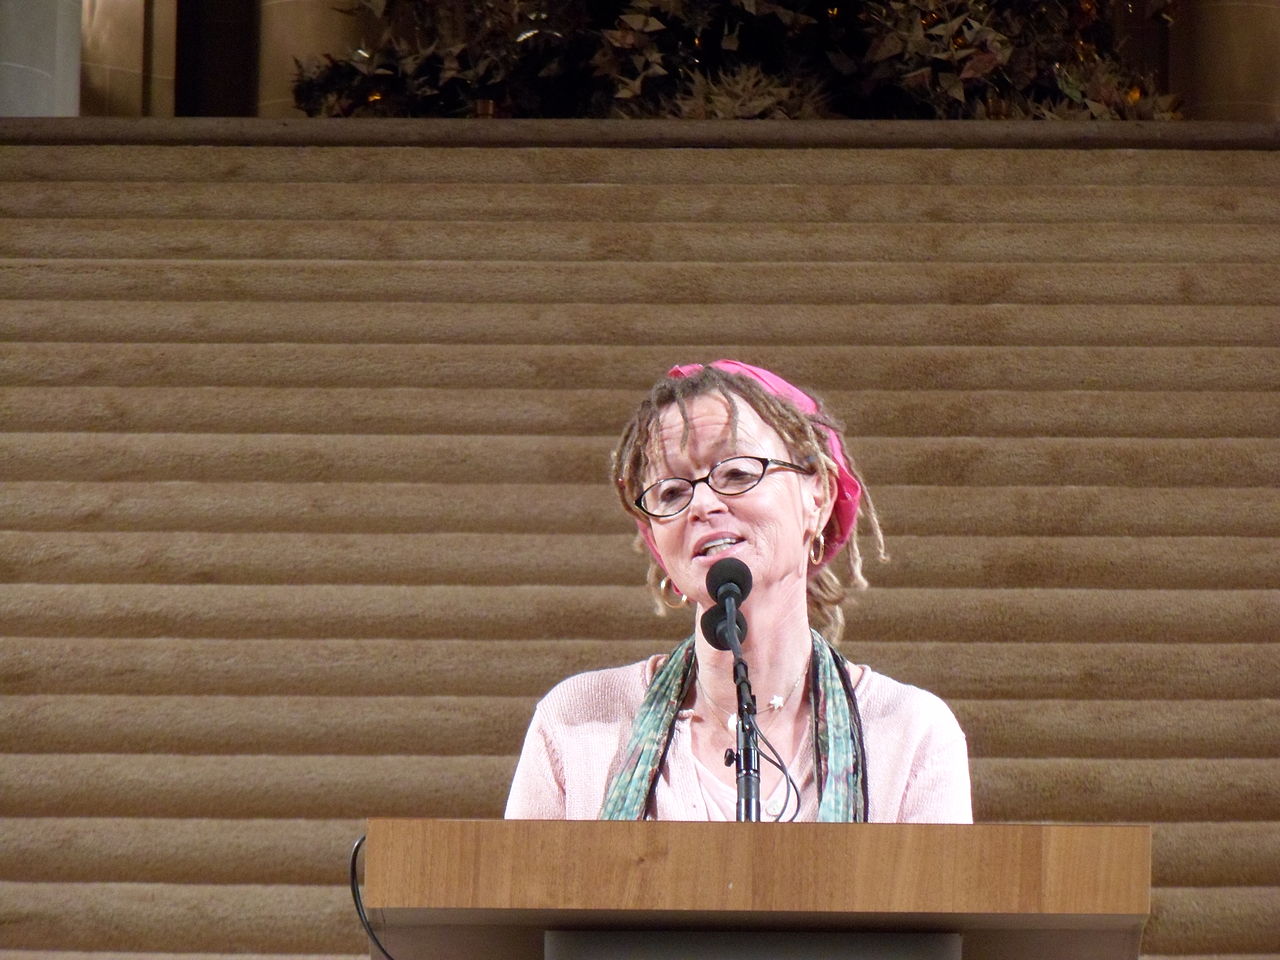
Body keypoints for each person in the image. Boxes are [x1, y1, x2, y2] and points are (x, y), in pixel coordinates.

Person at [505, 359, 971, 822]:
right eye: (670, 492)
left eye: (738, 473)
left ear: (819, 496)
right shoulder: (576, 725)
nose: (703, 504)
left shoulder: (910, 734)